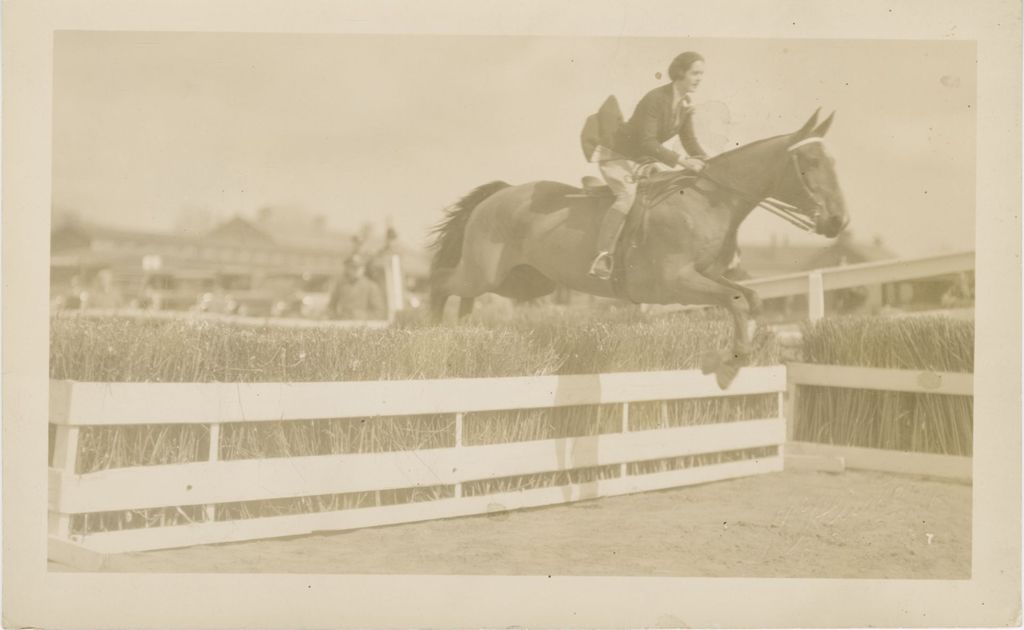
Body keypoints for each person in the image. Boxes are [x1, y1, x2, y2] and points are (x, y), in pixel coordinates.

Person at [581, 51, 710, 279]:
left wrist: (709, 162)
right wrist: (682, 161)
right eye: (695, 73)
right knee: (627, 196)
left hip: (640, 159)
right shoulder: (655, 99)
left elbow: (689, 141)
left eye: (702, 74)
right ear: (680, 73)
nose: (700, 78)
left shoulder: (685, 104)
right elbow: (646, 141)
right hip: (617, 154)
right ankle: (601, 256)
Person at [327, 254, 387, 320]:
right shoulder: (341, 285)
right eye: (352, 267)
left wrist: (362, 315)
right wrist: (336, 317)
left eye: (359, 267)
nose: (356, 270)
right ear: (347, 268)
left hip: (364, 325)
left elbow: (379, 312)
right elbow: (331, 306)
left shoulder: (371, 286)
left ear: (364, 268)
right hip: (344, 322)